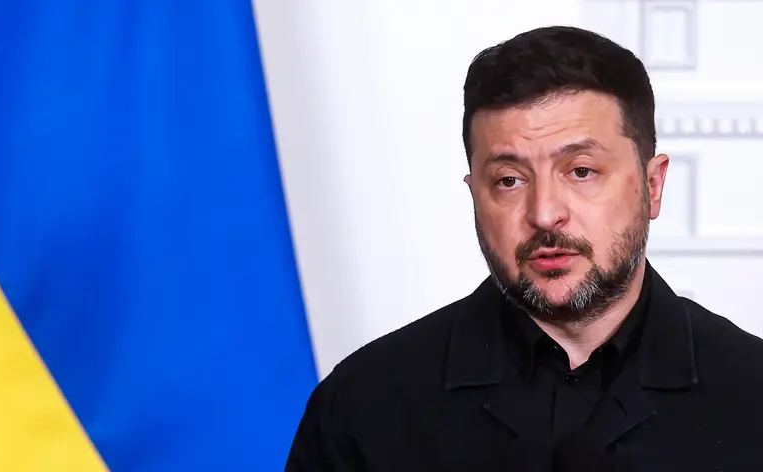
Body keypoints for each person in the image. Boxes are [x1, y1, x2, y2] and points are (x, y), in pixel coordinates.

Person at [285, 25, 763, 471]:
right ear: (475, 196)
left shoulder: (751, 394)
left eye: (581, 171)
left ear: (652, 186)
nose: (544, 213)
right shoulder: (365, 404)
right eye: (510, 180)